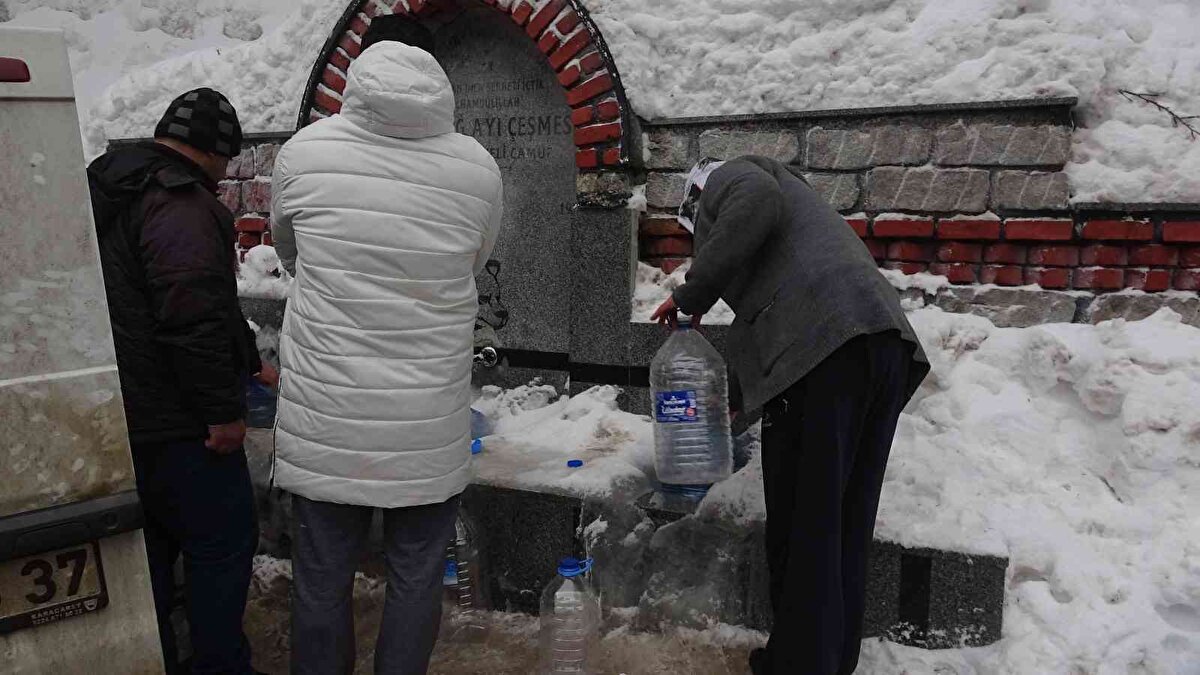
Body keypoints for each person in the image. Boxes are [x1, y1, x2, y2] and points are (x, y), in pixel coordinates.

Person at [269, 36, 504, 675]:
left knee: (321, 578)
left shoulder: (304, 154)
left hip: (327, 413)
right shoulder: (477, 168)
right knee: (417, 577)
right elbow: (475, 257)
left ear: (354, 86)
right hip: (425, 420)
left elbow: (287, 247)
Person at [651, 156, 930, 675]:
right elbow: (762, 319)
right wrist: (735, 395)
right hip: (879, 347)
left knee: (803, 526)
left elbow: (755, 203)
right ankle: (830, 661)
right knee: (840, 524)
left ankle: (796, 666)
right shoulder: (801, 241)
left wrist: (690, 293)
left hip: (828, 353)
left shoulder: (735, 175)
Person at [89, 87, 275, 675]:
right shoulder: (182, 205)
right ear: (215, 153)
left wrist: (250, 362)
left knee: (151, 559)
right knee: (221, 547)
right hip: (181, 425)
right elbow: (192, 312)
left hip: (125, 416)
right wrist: (224, 414)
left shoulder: (111, 186)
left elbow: (200, 303)